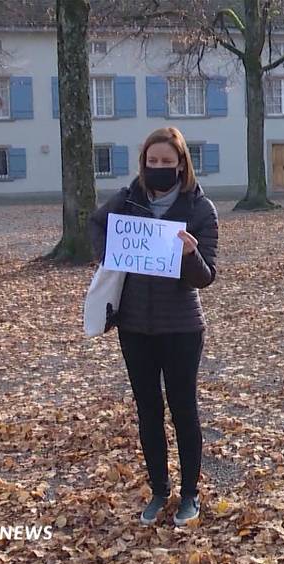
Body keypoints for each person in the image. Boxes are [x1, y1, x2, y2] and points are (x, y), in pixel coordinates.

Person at [89, 127, 219, 527]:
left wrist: (190, 254)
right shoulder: (128, 200)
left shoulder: (199, 208)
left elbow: (206, 277)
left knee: (183, 410)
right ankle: (159, 489)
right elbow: (96, 226)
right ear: (144, 162)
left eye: (167, 161)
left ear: (181, 164)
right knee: (148, 410)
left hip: (181, 326)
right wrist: (110, 254)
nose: (159, 167)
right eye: (153, 161)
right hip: (135, 326)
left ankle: (190, 494)